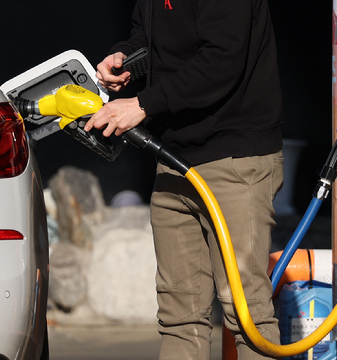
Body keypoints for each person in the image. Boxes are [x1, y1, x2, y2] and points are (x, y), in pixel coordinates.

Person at [84, 0, 284, 359]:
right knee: (179, 317)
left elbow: (223, 59)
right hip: (174, 160)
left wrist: (142, 104)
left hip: (234, 159)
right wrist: (125, 56)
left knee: (246, 312)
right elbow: (149, 34)